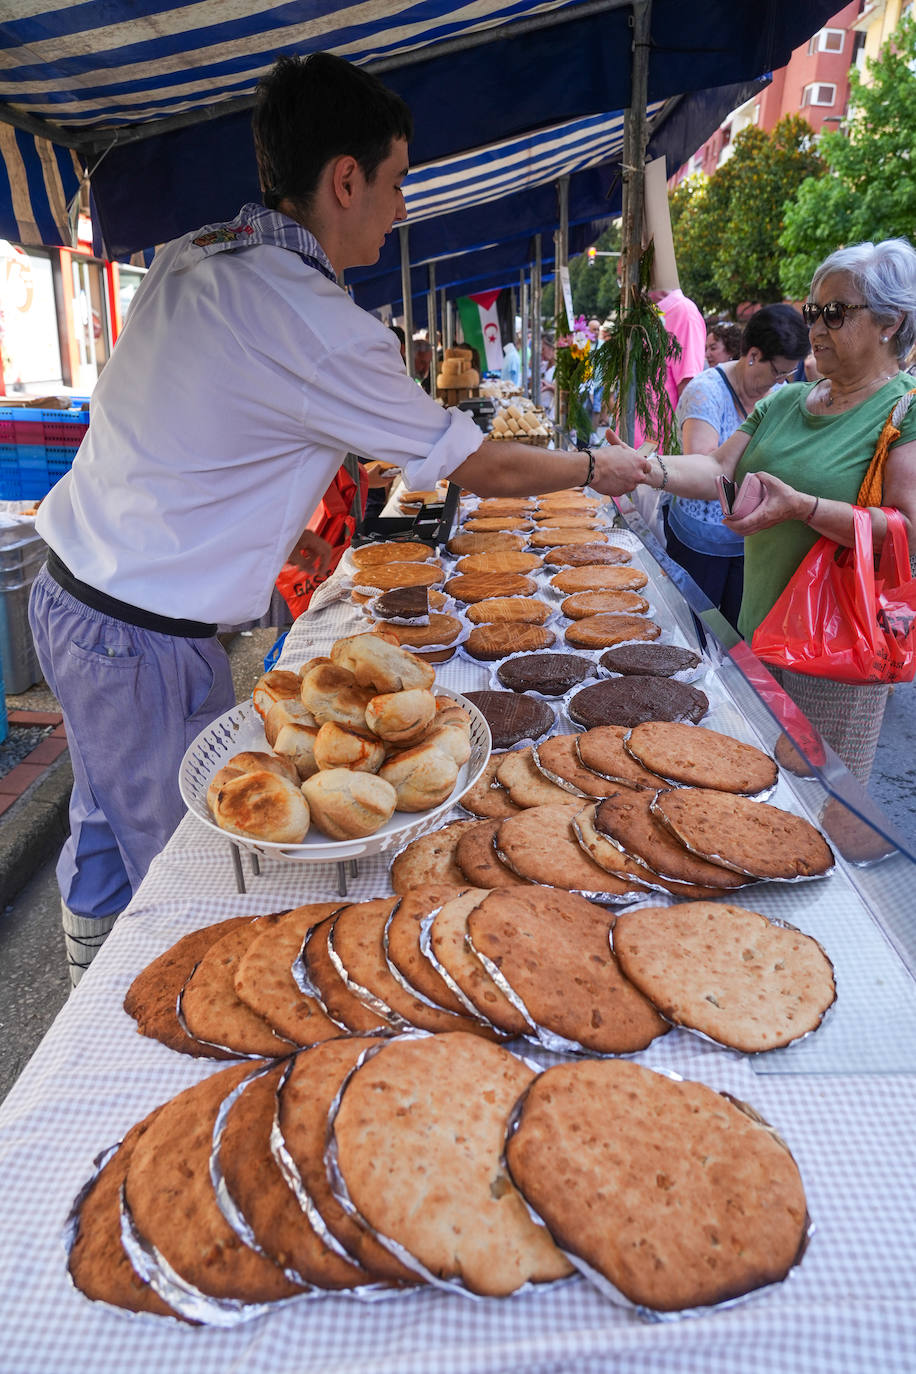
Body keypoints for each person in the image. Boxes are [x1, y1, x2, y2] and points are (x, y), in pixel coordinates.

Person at [28, 51, 643, 984]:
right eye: (396, 182)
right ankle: (136, 1035)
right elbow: (478, 462)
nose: (403, 207)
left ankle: (87, 986)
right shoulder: (316, 319)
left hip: (73, 596)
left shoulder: (198, 252)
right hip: (140, 639)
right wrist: (601, 465)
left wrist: (276, 528)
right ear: (344, 179)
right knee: (190, 880)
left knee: (105, 825)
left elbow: (189, 424)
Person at [608, 238, 916, 783]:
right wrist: (642, 467)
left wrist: (804, 507)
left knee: (823, 807)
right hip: (759, 634)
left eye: (835, 313)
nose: (816, 327)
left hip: (836, 660)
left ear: (891, 322)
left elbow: (907, 532)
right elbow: (719, 470)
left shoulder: (905, 410)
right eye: (813, 310)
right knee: (750, 784)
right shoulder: (787, 400)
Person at [665, 304, 809, 625]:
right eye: (777, 372)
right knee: (695, 631)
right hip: (699, 541)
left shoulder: (780, 394)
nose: (780, 382)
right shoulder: (706, 391)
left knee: (738, 638)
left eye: (787, 375)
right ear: (754, 355)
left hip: (751, 543)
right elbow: (704, 470)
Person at [633, 283, 707, 447]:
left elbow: (689, 388)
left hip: (657, 449)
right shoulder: (644, 312)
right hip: (634, 442)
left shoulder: (683, 312)